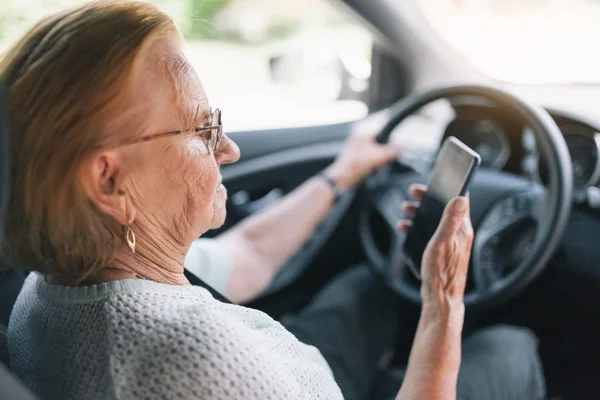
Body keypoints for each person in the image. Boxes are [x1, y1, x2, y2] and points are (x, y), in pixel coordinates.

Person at [0, 1, 546, 399]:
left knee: (367, 286)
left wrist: (340, 176)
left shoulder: (51, 286)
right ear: (110, 183)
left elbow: (249, 255)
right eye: (200, 129)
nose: (229, 149)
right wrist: (444, 300)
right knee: (511, 349)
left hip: (294, 368)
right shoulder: (198, 360)